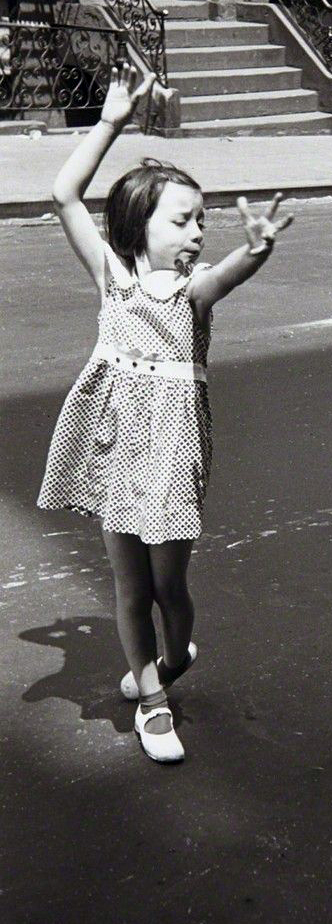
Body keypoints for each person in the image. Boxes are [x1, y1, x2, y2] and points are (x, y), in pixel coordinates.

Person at [38, 65, 293, 763]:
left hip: (172, 455)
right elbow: (64, 194)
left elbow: (224, 274)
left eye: (201, 220)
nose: (196, 232)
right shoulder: (113, 281)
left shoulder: (192, 298)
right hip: (119, 448)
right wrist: (111, 121)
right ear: (135, 227)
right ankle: (154, 702)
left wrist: (256, 247)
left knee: (169, 587)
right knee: (128, 587)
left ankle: (172, 656)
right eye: (182, 220)